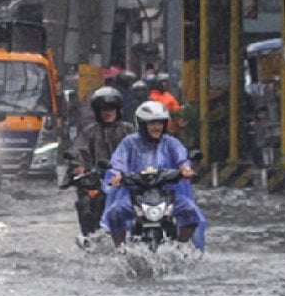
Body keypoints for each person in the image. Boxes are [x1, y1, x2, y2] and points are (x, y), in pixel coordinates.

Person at [101, 100, 207, 250]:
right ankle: (121, 250)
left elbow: (182, 158)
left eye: (159, 123)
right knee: (115, 214)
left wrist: (185, 169)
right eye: (152, 124)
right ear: (142, 125)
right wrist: (116, 175)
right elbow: (118, 161)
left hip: (167, 193)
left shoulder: (171, 143)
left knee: (191, 212)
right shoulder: (129, 143)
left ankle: (182, 247)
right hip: (136, 194)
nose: (157, 127)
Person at [68, 86, 136, 243]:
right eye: (103, 109)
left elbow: (142, 151)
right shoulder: (89, 132)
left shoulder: (129, 130)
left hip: (127, 181)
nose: (107, 112)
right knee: (86, 202)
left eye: (111, 108)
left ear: (117, 109)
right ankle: (90, 238)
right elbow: (78, 152)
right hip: (98, 182)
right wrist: (79, 167)